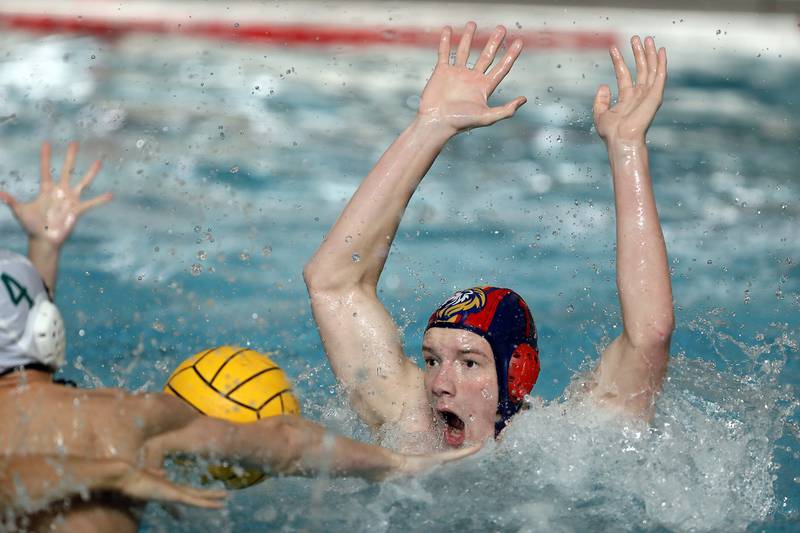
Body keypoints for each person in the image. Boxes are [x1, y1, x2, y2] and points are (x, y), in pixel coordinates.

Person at [0, 143, 476, 531]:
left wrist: (42, 249)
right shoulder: (128, 421)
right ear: (46, 329)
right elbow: (288, 443)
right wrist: (393, 463)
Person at [304, 22, 673, 451]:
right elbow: (333, 283)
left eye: (469, 362)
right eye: (431, 360)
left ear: (516, 373)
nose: (440, 383)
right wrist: (431, 126)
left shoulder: (570, 443)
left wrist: (627, 147)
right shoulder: (411, 427)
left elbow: (650, 332)